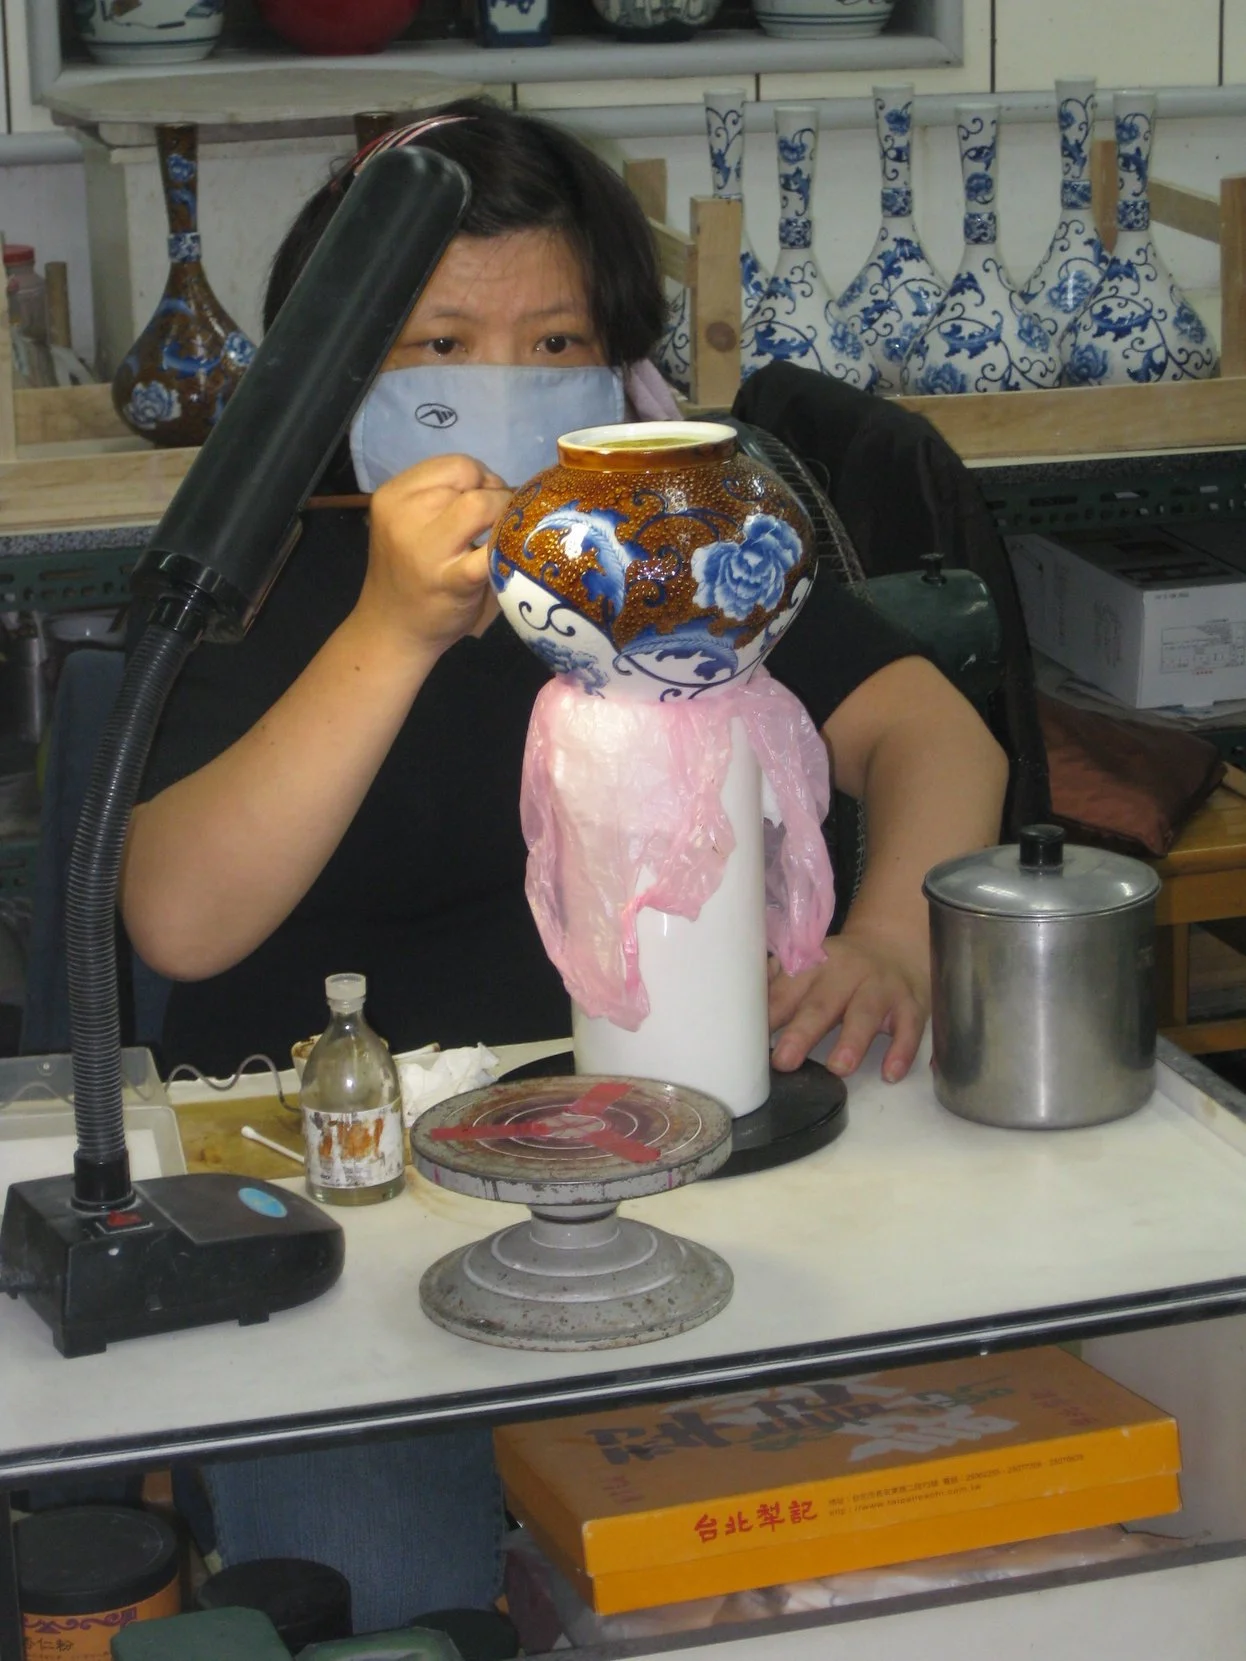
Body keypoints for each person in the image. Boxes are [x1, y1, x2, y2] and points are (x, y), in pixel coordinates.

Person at [119, 98, 1008, 1628]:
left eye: (554, 345)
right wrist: (394, 631)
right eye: (439, 344)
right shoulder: (251, 557)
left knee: (838, 1544)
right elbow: (180, 923)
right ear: (330, 360)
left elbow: (940, 741)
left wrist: (883, 940)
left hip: (673, 1162)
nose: (505, 392)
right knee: (397, 1589)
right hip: (351, 1211)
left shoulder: (664, 544)